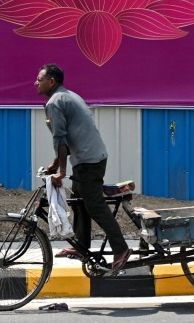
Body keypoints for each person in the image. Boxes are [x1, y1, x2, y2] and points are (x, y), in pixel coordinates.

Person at [35, 63, 130, 275]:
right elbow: (70, 136)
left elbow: (60, 139)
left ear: (52, 81)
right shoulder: (67, 96)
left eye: (39, 79)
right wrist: (54, 164)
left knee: (94, 205)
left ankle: (121, 248)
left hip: (88, 161)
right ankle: (82, 246)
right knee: (78, 203)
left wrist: (60, 171)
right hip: (88, 158)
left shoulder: (55, 102)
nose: (36, 83)